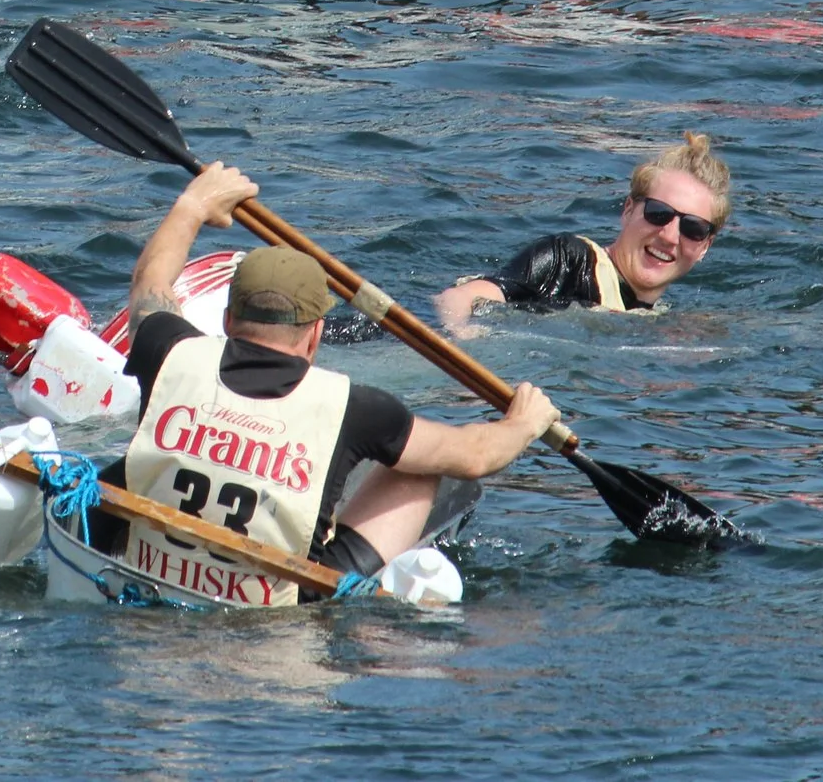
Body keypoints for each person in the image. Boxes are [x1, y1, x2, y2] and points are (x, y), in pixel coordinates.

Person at [110, 163, 558, 606]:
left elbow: (149, 282)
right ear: (316, 334)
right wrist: (524, 422)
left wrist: (193, 204)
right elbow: (474, 457)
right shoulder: (353, 407)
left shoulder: (167, 350)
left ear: (227, 320)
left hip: (149, 567)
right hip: (279, 607)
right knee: (420, 468)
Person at [434, 133, 731, 330]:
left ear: (705, 245)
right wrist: (465, 346)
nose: (669, 236)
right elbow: (459, 298)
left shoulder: (657, 320)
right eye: (658, 213)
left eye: (693, 228)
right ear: (628, 210)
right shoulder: (569, 259)